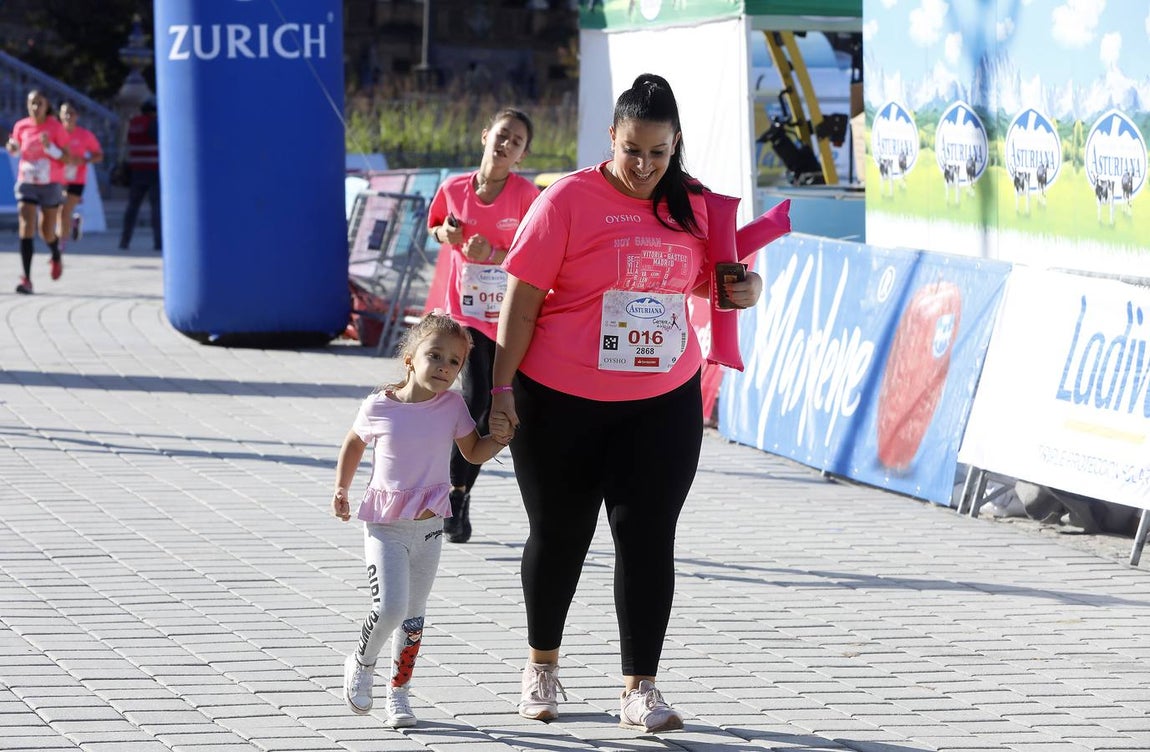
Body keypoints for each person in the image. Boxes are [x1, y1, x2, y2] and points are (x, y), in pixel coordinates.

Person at [490, 74, 764, 732]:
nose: (643, 166)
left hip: (660, 402)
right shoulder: (566, 201)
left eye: (658, 153)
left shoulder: (695, 206)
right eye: (632, 150)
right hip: (559, 399)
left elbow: (714, 284)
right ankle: (541, 667)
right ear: (611, 136)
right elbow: (520, 304)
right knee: (561, 535)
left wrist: (747, 290)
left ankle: (641, 687)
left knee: (647, 538)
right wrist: (499, 391)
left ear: (676, 145)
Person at [331, 312, 513, 727]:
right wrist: (341, 488)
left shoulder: (452, 406)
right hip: (386, 526)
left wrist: (500, 439)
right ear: (410, 358)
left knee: (413, 617)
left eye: (454, 362)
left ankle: (399, 693)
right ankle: (361, 662)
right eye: (435, 356)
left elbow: (473, 452)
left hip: (430, 527)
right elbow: (354, 443)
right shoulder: (380, 405)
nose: (445, 367)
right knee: (390, 606)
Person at [426, 108, 538, 544]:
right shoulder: (453, 188)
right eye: (502, 135)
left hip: (509, 317)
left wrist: (492, 254)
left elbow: (536, 253)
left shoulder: (526, 195)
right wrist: (446, 235)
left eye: (516, 142)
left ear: (522, 156)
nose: (506, 144)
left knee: (495, 409)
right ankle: (455, 498)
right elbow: (435, 226)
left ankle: (460, 493)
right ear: (485, 135)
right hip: (465, 315)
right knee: (474, 401)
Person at [6, 89, 69, 293]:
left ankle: (56, 255)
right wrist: (13, 148)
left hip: (50, 183)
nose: (35, 107)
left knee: (46, 231)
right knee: (26, 226)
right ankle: (27, 279)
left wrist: (50, 148)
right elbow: (16, 149)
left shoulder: (55, 127)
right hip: (27, 182)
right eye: (32, 103)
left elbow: (66, 157)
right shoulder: (21, 126)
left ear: (46, 105)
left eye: (39, 103)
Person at [56, 101, 103, 245]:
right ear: (60, 115)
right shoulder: (55, 133)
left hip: (76, 179)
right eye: (65, 113)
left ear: (77, 116)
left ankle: (61, 245)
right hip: (57, 177)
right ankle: (73, 222)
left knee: (64, 210)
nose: (68, 116)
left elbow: (99, 155)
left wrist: (84, 160)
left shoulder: (85, 135)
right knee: (59, 211)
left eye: (71, 113)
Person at [119, 98, 160, 252]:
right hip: (153, 169)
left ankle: (124, 241)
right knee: (156, 208)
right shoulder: (153, 123)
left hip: (137, 170)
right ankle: (159, 242)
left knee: (132, 208)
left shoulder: (134, 123)